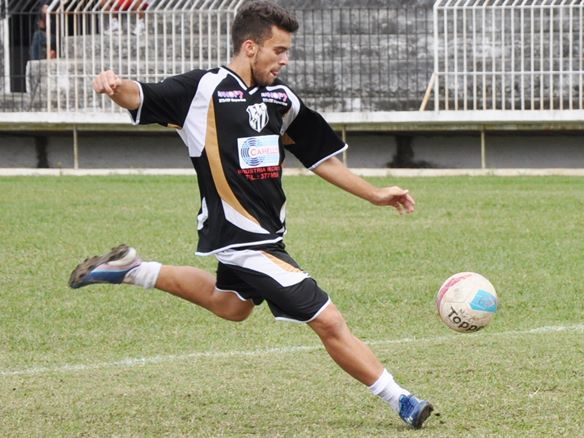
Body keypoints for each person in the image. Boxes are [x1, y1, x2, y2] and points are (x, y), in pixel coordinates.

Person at [70, 0, 433, 429]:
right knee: (329, 320)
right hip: (240, 239)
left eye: (287, 51)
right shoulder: (202, 90)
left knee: (232, 306)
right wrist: (114, 87)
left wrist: (375, 195)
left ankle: (132, 269)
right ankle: (402, 400)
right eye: (278, 51)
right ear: (249, 47)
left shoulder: (282, 99)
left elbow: (322, 160)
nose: (284, 59)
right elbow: (143, 93)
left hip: (268, 236)